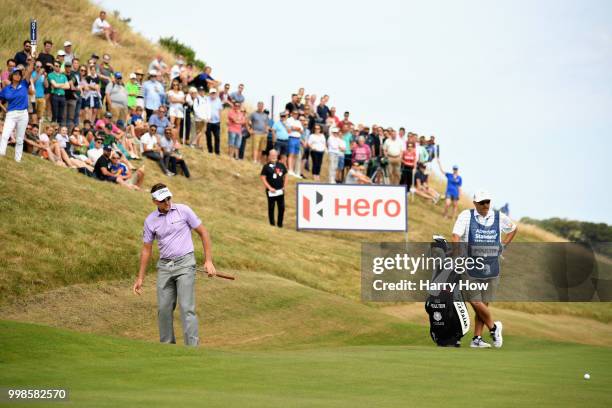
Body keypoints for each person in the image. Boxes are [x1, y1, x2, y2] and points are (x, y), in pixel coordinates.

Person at [133, 184, 217, 346]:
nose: (167, 202)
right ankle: (167, 349)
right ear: (154, 201)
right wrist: (140, 278)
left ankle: (192, 349)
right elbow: (146, 250)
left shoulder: (184, 210)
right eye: (163, 200)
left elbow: (203, 233)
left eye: (168, 198)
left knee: (186, 308)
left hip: (185, 264)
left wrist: (208, 261)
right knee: (163, 310)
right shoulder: (150, 221)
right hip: (165, 267)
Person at [452, 190, 518, 348]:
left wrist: (502, 246)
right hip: (470, 266)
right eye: (482, 202)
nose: (485, 205)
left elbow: (513, 229)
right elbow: (455, 236)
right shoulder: (466, 216)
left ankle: (477, 339)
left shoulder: (498, 216)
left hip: (491, 267)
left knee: (483, 305)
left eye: (487, 202)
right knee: (474, 299)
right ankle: (494, 328)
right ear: (475, 203)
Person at [0, 63, 34, 162]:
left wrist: (32, 60)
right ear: (11, 76)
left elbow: (30, 71)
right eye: (15, 74)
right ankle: (1, 154)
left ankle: (17, 159)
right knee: (5, 134)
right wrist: (3, 108)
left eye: (19, 74)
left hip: (23, 114)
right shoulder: (6, 89)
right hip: (11, 114)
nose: (18, 75)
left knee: (19, 139)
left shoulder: (24, 84)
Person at [260, 150, 288, 228]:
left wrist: (284, 186)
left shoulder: (281, 165)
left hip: (280, 190)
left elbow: (286, 175)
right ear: (269, 156)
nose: (273, 156)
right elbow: (263, 177)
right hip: (271, 191)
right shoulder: (266, 166)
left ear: (277, 155)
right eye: (272, 155)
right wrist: (269, 187)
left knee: (281, 207)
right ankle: (272, 224)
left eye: (275, 155)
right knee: (271, 207)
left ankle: (280, 224)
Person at [48, 60, 69, 125]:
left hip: (62, 96)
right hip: (55, 95)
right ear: (53, 66)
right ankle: (53, 130)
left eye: (59, 66)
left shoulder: (63, 76)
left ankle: (59, 131)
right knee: (55, 114)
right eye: (56, 66)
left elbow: (68, 86)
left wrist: (58, 85)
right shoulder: (50, 74)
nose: (57, 67)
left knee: (61, 116)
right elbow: (54, 85)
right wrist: (63, 84)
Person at [285, 109, 303, 177]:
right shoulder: (289, 120)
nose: (296, 115)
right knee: (291, 154)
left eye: (297, 114)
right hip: (292, 138)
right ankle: (290, 169)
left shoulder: (298, 121)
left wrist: (296, 128)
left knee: (295, 155)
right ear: (292, 113)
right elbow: (291, 128)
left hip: (298, 139)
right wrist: (297, 129)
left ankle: (292, 169)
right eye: (294, 113)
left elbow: (301, 131)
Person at [205, 88, 222, 154]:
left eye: (214, 93)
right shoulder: (206, 99)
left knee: (217, 137)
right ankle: (210, 150)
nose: (213, 94)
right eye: (212, 93)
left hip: (216, 122)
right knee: (208, 136)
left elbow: (220, 110)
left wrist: (220, 119)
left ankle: (217, 151)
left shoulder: (218, 100)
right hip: (208, 122)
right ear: (209, 93)